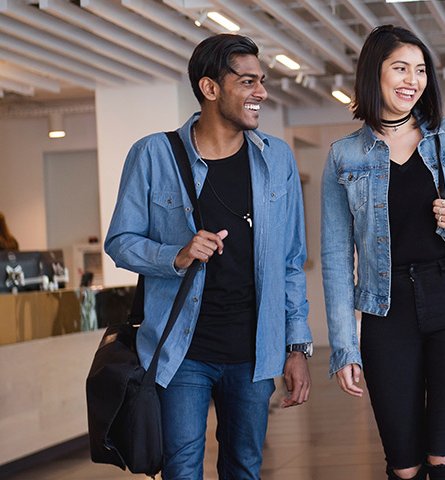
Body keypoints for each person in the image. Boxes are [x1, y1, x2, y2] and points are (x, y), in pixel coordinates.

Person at [104, 33, 313, 480]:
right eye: (248, 81)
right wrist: (174, 256)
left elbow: (291, 262)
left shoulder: (277, 159)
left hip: (255, 350)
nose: (261, 92)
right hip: (182, 352)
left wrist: (296, 347)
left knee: (244, 468)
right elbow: (119, 240)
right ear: (210, 88)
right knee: (182, 470)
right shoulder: (153, 154)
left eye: (262, 81)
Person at [321, 25, 445, 480]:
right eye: (400, 68)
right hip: (387, 310)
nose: (412, 80)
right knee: (403, 466)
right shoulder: (344, 156)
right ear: (373, 74)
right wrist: (344, 345)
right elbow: (336, 257)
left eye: (420, 70)